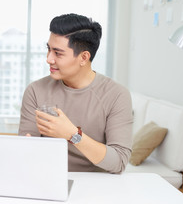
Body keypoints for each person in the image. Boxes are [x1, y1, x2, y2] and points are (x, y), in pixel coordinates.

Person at [19, 14, 133, 174]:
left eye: (58, 53)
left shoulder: (116, 95)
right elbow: (25, 153)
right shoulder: (36, 90)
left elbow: (119, 162)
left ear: (84, 57)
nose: (48, 59)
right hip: (46, 179)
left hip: (97, 187)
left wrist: (72, 134)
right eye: (48, 49)